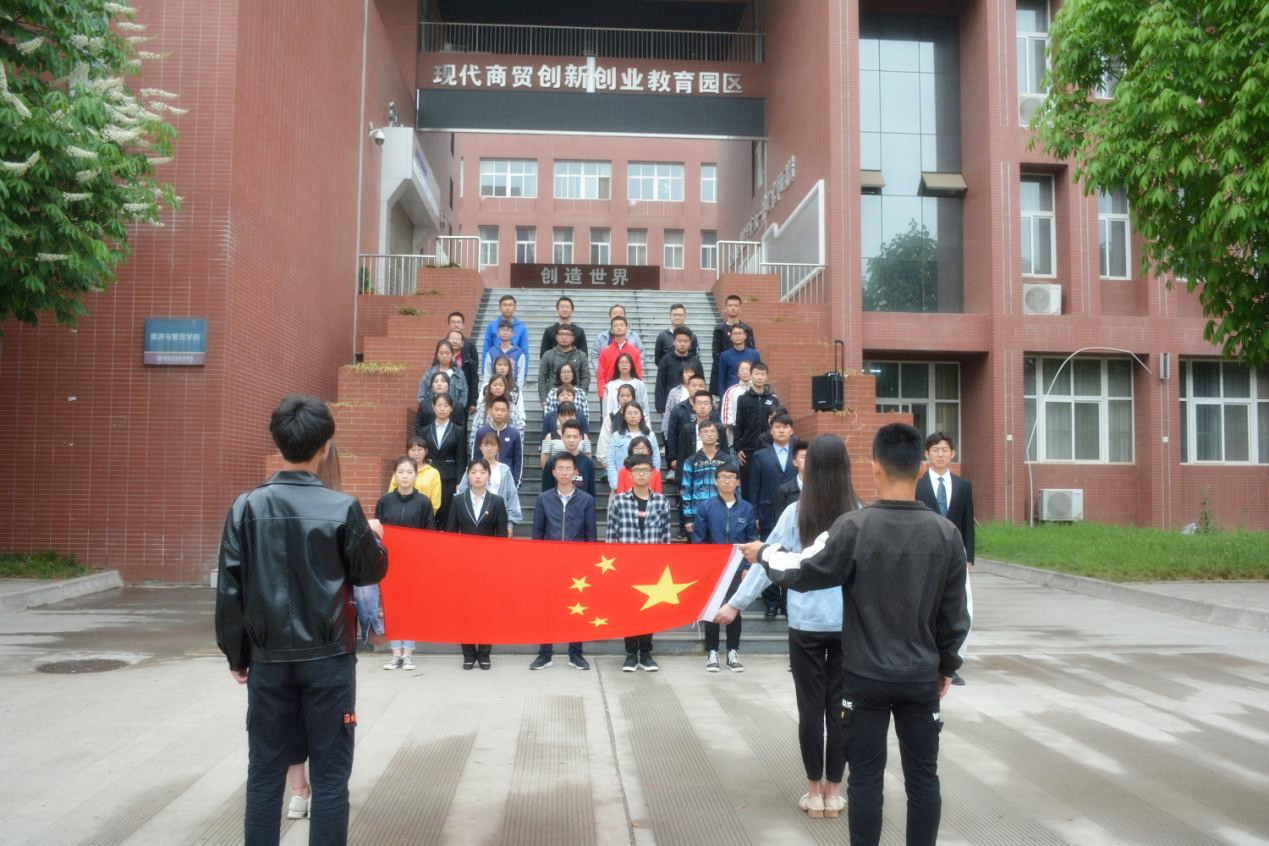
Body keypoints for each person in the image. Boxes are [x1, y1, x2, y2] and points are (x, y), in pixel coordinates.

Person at [740, 423, 972, 846]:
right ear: (922, 467)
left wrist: (764, 552)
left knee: (865, 779)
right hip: (920, 677)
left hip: (864, 677)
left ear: (875, 465)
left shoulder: (854, 527)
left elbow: (803, 571)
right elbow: (957, 615)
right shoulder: (946, 534)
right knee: (924, 778)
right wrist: (946, 665)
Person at [216, 395, 387, 845]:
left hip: (269, 659)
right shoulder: (343, 507)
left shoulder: (245, 507)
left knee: (264, 773)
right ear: (325, 446)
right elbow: (370, 571)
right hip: (328, 660)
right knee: (330, 776)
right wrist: (374, 538)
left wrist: (237, 655)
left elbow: (230, 590)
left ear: (278, 443)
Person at [720, 434, 860, 819]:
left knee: (810, 710)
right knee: (842, 709)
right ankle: (834, 792)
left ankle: (814, 792)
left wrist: (735, 604)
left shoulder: (795, 513)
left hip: (806, 625)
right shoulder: (859, 514)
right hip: (848, 627)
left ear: (808, 468)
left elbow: (767, 562)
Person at [915, 431, 974, 687]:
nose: (940, 454)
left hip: (955, 557)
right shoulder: (918, 486)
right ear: (926, 454)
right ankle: (929, 661)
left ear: (953, 454)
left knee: (957, 608)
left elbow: (967, 523)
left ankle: (952, 663)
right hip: (926, 555)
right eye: (935, 450)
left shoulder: (963, 486)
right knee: (929, 607)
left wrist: (969, 556)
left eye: (944, 450)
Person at [530, 451, 597, 671]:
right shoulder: (543, 499)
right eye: (560, 468)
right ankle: (544, 654)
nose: (565, 472)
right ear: (553, 472)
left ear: (575, 471)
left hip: (576, 565)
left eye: (569, 468)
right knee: (547, 609)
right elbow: (537, 533)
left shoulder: (586, 500)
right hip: (549, 563)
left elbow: (591, 535)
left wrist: (588, 562)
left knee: (576, 609)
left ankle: (576, 654)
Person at [606, 454, 671, 672]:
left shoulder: (661, 502)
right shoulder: (619, 501)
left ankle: (646, 653)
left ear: (652, 474)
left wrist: (664, 565)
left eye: (645, 470)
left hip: (652, 567)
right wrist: (612, 565)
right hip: (626, 565)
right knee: (629, 609)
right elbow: (611, 536)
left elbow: (665, 536)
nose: (641, 474)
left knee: (649, 610)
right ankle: (631, 653)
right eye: (637, 470)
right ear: (629, 474)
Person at [690, 463, 757, 672]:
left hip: (737, 568)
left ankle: (732, 652)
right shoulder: (705, 507)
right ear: (716, 481)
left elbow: (751, 539)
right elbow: (699, 540)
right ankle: (712, 651)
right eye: (723, 477)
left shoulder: (746, 508)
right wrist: (705, 566)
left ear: (738, 482)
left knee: (734, 608)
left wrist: (748, 566)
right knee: (712, 609)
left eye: (731, 477)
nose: (727, 481)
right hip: (714, 568)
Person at [447, 457, 509, 670]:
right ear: (468, 475)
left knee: (486, 609)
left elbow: (502, 536)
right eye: (473, 472)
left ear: (488, 476)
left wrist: (498, 563)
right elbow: (451, 533)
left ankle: (484, 653)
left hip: (488, 565)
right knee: (465, 608)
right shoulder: (458, 500)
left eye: (482, 472)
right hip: (464, 564)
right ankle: (468, 653)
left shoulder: (497, 501)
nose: (478, 476)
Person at [377, 456, 437, 672]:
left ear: (415, 475)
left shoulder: (423, 502)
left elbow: (429, 533)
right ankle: (395, 654)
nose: (405, 476)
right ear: (395, 475)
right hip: (390, 563)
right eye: (401, 472)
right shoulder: (385, 501)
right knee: (392, 607)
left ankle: (408, 653)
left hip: (414, 563)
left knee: (410, 607)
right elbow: (378, 532)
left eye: (409, 472)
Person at [747, 411, 799, 619]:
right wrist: (754, 514)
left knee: (791, 556)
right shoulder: (760, 456)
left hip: (794, 512)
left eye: (785, 427)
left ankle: (786, 602)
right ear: (771, 431)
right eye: (777, 427)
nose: (781, 430)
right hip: (767, 513)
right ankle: (771, 603)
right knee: (767, 555)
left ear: (791, 430)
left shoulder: (798, 456)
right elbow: (753, 488)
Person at [459, 431, 522, 537]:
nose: (489, 448)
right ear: (480, 447)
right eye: (486, 445)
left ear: (498, 448)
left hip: (498, 516)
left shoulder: (504, 470)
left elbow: (512, 496)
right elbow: (461, 492)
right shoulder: (472, 468)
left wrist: (510, 524)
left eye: (492, 445)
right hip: (473, 516)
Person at [679, 420, 735, 535]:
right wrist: (688, 517)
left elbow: (735, 487)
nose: (709, 434)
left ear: (718, 435)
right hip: (698, 512)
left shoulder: (726, 460)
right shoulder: (691, 461)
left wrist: (734, 511)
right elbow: (686, 490)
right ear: (699, 435)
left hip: (722, 511)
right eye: (705, 431)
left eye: (713, 431)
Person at [733, 362, 779, 489]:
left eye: (762, 374)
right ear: (751, 375)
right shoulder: (743, 399)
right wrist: (738, 448)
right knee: (748, 485)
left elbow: (777, 423)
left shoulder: (773, 399)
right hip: (748, 450)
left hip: (768, 447)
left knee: (768, 484)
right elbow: (738, 424)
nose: (759, 377)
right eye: (756, 374)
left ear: (767, 377)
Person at [421, 392, 463, 528]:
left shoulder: (458, 431)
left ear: (451, 408)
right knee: (429, 511)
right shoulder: (425, 430)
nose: (442, 409)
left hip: (449, 478)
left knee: (446, 512)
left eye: (445, 406)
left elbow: (461, 457)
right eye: (438, 405)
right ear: (433, 408)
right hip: (428, 475)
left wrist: (459, 481)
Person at [468, 396, 523, 485]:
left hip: (506, 480)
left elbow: (518, 460)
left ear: (508, 412)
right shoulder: (481, 432)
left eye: (503, 410)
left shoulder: (514, 433)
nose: (499, 413)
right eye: (496, 409)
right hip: (484, 480)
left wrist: (515, 482)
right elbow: (475, 457)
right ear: (490, 411)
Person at [663, 373, 708, 478]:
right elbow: (672, 434)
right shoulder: (679, 409)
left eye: (700, 386)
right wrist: (673, 457)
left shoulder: (712, 409)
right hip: (684, 456)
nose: (697, 388)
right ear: (687, 387)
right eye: (694, 385)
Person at [469, 373, 527, 454]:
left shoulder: (512, 408)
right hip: (485, 454)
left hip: (507, 452)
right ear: (489, 387)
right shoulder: (482, 407)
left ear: (505, 388)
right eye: (495, 385)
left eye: (501, 385)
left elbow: (519, 431)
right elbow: (475, 430)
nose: (498, 387)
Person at [710, 293, 755, 396]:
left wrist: (743, 370)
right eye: (730, 306)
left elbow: (751, 349)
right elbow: (716, 353)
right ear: (725, 308)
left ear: (740, 309)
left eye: (736, 306)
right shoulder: (719, 329)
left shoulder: (747, 329)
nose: (733, 308)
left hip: (745, 373)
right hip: (726, 372)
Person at [606, 401, 660, 486]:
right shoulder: (617, 436)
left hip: (645, 484)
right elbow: (611, 462)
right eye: (629, 413)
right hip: (623, 482)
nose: (633, 416)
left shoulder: (650, 436)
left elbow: (656, 460)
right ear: (624, 416)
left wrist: (652, 483)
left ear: (641, 415)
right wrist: (615, 484)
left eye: (635, 413)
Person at [672, 390, 725, 476]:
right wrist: (680, 479)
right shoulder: (687, 429)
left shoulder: (719, 429)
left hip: (715, 475)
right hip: (693, 474)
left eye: (706, 403)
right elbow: (682, 457)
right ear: (694, 406)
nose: (702, 406)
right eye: (699, 403)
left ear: (711, 407)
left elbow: (725, 453)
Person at [417, 340, 469, 427]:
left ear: (452, 355)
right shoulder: (429, 373)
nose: (444, 356)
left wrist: (455, 410)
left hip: (453, 417)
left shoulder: (459, 374)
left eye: (447, 353)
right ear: (437, 355)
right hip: (431, 418)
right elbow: (421, 396)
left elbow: (464, 395)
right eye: (441, 353)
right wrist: (430, 410)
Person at [389, 436, 442, 519]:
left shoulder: (433, 473)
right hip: (400, 514)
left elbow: (436, 499)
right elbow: (391, 492)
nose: (416, 453)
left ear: (426, 451)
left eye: (420, 450)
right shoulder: (401, 471)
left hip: (424, 515)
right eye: (413, 450)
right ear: (407, 451)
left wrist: (429, 514)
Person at [654, 327, 704, 414]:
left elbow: (702, 383)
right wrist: (660, 407)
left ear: (690, 343)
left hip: (693, 405)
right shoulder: (665, 360)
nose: (682, 344)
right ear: (673, 342)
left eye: (685, 341)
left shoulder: (696, 362)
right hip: (671, 403)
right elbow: (660, 384)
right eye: (679, 341)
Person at [542, 419, 597, 496]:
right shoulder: (552, 462)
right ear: (562, 438)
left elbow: (591, 491)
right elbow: (546, 492)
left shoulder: (588, 463)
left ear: (581, 438)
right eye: (568, 437)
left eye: (575, 437)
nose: (571, 440)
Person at [538, 323, 589, 403]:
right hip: (553, 398)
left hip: (575, 397)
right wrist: (544, 400)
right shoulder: (548, 355)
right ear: (556, 337)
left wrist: (581, 396)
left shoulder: (581, 355)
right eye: (561, 334)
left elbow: (585, 377)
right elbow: (542, 378)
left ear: (573, 338)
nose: (564, 337)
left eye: (568, 335)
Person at [594, 384, 636, 481]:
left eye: (628, 395)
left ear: (633, 397)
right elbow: (604, 440)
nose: (625, 398)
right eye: (622, 396)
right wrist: (607, 465)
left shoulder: (642, 416)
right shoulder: (611, 417)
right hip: (616, 465)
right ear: (618, 398)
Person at [589, 304, 645, 373]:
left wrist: (634, 371)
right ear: (609, 317)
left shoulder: (634, 336)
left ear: (625, 316)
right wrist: (600, 372)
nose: (617, 315)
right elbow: (595, 356)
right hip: (608, 374)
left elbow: (641, 355)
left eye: (620, 313)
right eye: (614, 313)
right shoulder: (601, 337)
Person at [481, 319, 527, 391]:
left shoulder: (519, 353)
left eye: (508, 330)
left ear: (513, 333)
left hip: (512, 390)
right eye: (502, 329)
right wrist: (486, 390)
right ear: (497, 333)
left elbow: (520, 376)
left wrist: (518, 391)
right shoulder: (492, 352)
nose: (505, 332)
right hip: (495, 390)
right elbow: (487, 374)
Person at [481, 294, 528, 361]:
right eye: (504, 305)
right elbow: (486, 349)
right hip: (495, 364)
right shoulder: (492, 326)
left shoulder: (521, 328)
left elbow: (525, 352)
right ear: (499, 308)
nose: (507, 308)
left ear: (515, 308)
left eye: (510, 305)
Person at [446, 328, 479, 423]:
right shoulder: (439, 360)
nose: (454, 341)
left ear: (462, 343)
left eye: (457, 339)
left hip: (462, 402)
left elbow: (474, 381)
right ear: (447, 341)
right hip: (442, 402)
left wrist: (473, 402)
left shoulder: (469, 362)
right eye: (452, 338)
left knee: (461, 428)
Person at [601, 351, 648, 417]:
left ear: (631, 365)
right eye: (621, 363)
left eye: (627, 362)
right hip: (615, 421)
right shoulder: (610, 386)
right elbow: (606, 408)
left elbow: (645, 407)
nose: (624, 365)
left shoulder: (640, 385)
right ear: (617, 365)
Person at [718, 323, 761, 394]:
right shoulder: (725, 355)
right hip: (732, 393)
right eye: (735, 334)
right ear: (731, 337)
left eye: (740, 333)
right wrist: (723, 396)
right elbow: (721, 379)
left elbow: (758, 374)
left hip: (751, 392)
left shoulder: (755, 354)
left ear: (745, 336)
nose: (737, 336)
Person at [772, 439, 809, 523]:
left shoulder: (821, 488)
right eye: (804, 457)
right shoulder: (784, 490)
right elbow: (781, 522)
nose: (808, 460)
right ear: (795, 462)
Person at [653, 302, 699, 366]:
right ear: (670, 316)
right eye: (674, 315)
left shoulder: (692, 336)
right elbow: (658, 360)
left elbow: (695, 358)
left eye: (680, 315)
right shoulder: (662, 336)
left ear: (685, 317)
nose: (677, 317)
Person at [661, 364, 700, 438]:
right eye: (686, 372)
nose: (689, 374)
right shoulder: (674, 392)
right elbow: (668, 412)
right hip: (679, 430)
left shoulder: (700, 390)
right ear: (681, 374)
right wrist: (666, 432)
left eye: (692, 372)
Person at [720, 360, 752, 441]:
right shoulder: (731, 391)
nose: (745, 372)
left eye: (748, 369)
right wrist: (735, 427)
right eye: (742, 370)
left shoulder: (758, 390)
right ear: (738, 373)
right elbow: (726, 416)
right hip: (734, 434)